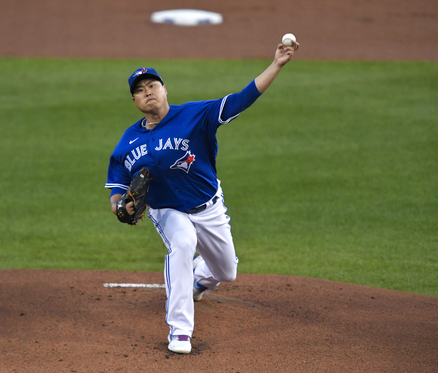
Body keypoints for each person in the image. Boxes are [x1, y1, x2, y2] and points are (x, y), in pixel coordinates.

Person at [105, 40, 299, 354]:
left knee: (226, 271)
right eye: (140, 90)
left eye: (152, 85)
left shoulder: (197, 114)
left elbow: (241, 99)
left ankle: (199, 281)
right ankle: (180, 331)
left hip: (209, 205)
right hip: (167, 210)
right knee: (182, 244)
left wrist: (275, 65)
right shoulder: (127, 143)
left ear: (165, 89)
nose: (148, 91)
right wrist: (120, 208)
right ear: (134, 100)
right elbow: (117, 190)